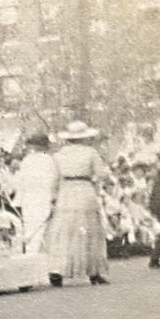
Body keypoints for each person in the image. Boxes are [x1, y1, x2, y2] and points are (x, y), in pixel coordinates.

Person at [44, 121, 111, 286]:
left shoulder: (58, 155)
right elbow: (101, 174)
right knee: (88, 230)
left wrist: (53, 198)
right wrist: (94, 180)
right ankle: (93, 272)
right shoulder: (91, 153)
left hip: (66, 192)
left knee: (64, 231)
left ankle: (57, 271)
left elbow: (53, 179)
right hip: (84, 190)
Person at [13, 134, 59, 254]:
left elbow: (20, 182)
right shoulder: (50, 160)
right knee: (45, 230)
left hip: (29, 200)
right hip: (44, 199)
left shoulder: (27, 160)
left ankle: (31, 256)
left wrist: (19, 199)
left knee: (31, 230)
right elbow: (54, 181)